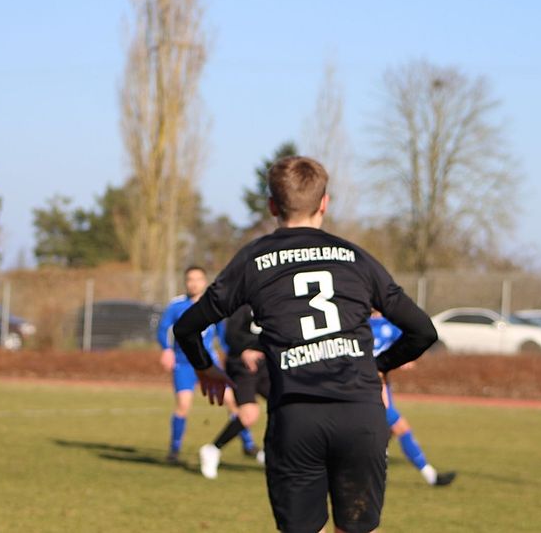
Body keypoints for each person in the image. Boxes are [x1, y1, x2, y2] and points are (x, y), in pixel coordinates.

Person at [173, 156, 438, 533]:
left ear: (272, 206)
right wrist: (379, 366)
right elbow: (423, 331)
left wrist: (205, 368)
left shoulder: (254, 259)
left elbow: (186, 327)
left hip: (296, 417)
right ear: (325, 203)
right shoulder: (356, 258)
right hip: (360, 415)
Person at [157, 266, 257, 463]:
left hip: (210, 364)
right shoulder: (177, 305)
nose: (194, 283)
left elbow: (224, 335)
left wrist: (233, 355)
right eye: (190, 279)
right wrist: (166, 349)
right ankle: (174, 451)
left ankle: (248, 444)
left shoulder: (212, 305)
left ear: (205, 282)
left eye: (198, 279)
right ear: (185, 282)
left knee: (232, 402)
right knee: (183, 405)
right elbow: (162, 330)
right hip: (184, 364)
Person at [370, 311, 456, 487]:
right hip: (367, 384)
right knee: (398, 428)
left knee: (388, 431)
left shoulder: (389, 324)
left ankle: (377, 470)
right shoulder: (358, 320)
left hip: (382, 383)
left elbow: (406, 344)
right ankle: (430, 476)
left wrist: (402, 359)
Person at [199, 305, 271, 479]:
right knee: (249, 414)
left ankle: (272, 451)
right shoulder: (244, 306)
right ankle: (212, 449)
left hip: (268, 365)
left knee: (288, 405)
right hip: (243, 366)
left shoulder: (275, 300)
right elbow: (231, 336)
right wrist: (246, 349)